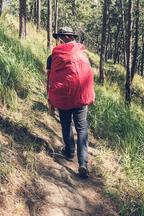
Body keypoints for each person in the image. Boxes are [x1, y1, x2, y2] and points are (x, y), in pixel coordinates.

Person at [46, 27, 95, 178]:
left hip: (62, 96)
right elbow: (88, 75)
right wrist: (90, 94)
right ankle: (83, 163)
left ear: (61, 38)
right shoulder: (84, 55)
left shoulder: (52, 57)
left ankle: (69, 153)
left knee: (66, 123)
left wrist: (50, 100)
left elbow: (49, 79)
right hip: (81, 96)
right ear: (73, 38)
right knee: (81, 127)